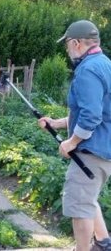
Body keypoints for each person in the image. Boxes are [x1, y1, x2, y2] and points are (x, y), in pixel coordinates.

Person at [38, 20, 111, 251]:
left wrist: (72, 142)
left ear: (77, 43)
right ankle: (103, 242)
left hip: (92, 150)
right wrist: (56, 123)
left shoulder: (88, 69)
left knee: (79, 205)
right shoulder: (104, 63)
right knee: (87, 199)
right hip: (103, 146)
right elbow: (96, 110)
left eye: (67, 44)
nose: (67, 49)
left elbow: (91, 116)